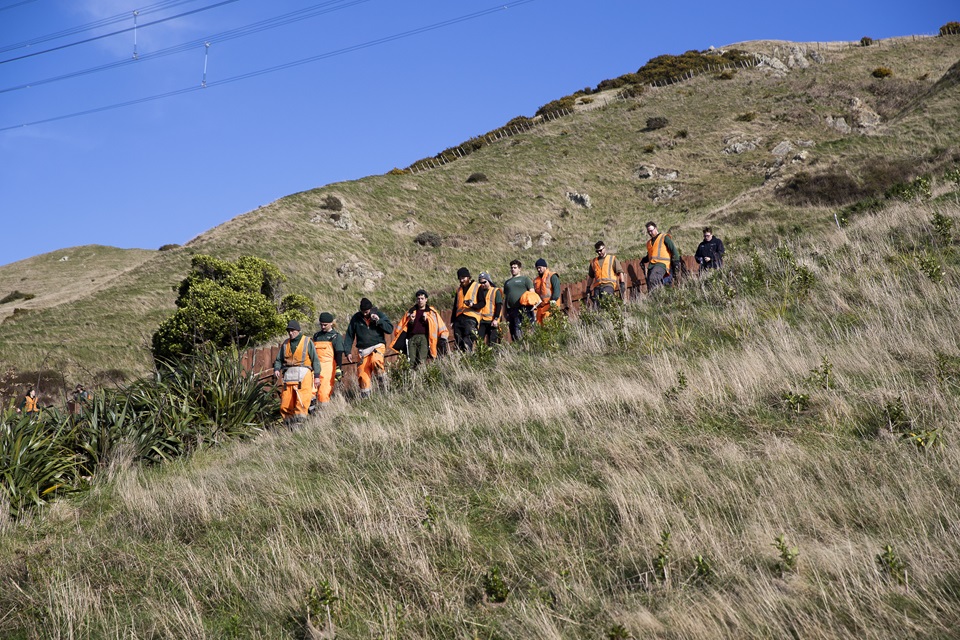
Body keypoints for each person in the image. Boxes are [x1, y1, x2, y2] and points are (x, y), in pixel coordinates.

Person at [273, 319, 321, 426]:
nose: (290, 333)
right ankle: (288, 424)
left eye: (292, 330)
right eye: (289, 331)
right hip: (288, 375)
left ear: (298, 330)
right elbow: (278, 360)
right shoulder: (285, 344)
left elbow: (315, 360)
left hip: (304, 375)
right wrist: (277, 369)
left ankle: (300, 424)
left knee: (302, 400)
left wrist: (317, 376)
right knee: (286, 401)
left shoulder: (307, 341)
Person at [344, 297, 394, 398]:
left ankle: (383, 385)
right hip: (363, 350)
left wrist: (379, 321)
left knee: (376, 361)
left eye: (366, 311)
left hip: (377, 345)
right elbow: (349, 335)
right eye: (363, 311)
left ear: (371, 309)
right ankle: (366, 398)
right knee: (363, 376)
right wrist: (347, 351)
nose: (365, 314)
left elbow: (389, 329)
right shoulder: (356, 318)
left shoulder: (379, 314)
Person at [392, 289, 449, 367]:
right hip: (412, 338)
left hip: (424, 338)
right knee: (411, 362)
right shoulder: (410, 312)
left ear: (426, 300)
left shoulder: (432, 312)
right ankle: (413, 377)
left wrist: (426, 320)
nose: (420, 300)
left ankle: (421, 377)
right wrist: (411, 321)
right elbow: (401, 327)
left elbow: (441, 327)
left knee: (421, 361)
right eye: (418, 299)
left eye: (422, 298)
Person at [312, 312, 345, 409]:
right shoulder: (316, 336)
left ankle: (323, 412)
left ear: (331, 323)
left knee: (324, 391)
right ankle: (312, 412)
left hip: (329, 368)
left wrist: (338, 369)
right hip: (315, 367)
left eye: (325, 325)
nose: (322, 327)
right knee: (311, 391)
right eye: (321, 324)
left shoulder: (336, 336)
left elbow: (339, 354)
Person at [639, 222, 681, 292]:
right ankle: (657, 299)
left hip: (662, 264)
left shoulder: (664, 237)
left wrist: (676, 263)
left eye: (651, 230)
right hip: (651, 266)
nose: (650, 233)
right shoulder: (649, 243)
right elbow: (651, 254)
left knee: (653, 279)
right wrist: (644, 260)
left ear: (656, 228)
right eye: (648, 231)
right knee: (650, 284)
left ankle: (657, 297)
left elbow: (674, 251)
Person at [502, 259, 537, 341]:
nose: (513, 269)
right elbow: (505, 298)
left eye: (515, 267)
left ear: (519, 269)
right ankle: (519, 347)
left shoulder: (525, 279)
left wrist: (533, 307)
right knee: (515, 330)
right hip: (512, 310)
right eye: (511, 268)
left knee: (528, 329)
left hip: (525, 308)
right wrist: (504, 313)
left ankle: (529, 346)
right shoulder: (507, 283)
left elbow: (532, 293)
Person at [451, 268, 483, 352]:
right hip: (458, 319)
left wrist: (473, 305)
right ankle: (461, 360)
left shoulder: (477, 286)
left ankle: (468, 360)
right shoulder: (458, 290)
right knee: (458, 342)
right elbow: (455, 306)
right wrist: (452, 320)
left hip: (471, 318)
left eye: (463, 278)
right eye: (460, 278)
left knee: (467, 340)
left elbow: (483, 303)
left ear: (468, 277)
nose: (462, 280)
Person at [476, 272, 504, 346]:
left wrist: (495, 319)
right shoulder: (480, 292)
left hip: (492, 322)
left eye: (484, 282)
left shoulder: (495, 291)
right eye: (480, 283)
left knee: (492, 343)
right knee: (479, 342)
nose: (482, 284)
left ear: (489, 281)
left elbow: (498, 306)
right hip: (482, 321)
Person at [533, 258, 561, 325]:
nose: (538, 270)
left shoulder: (552, 276)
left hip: (551, 306)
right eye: (537, 268)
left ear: (545, 267)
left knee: (549, 324)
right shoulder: (536, 280)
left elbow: (557, 290)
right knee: (539, 327)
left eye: (540, 267)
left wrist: (553, 300)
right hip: (540, 307)